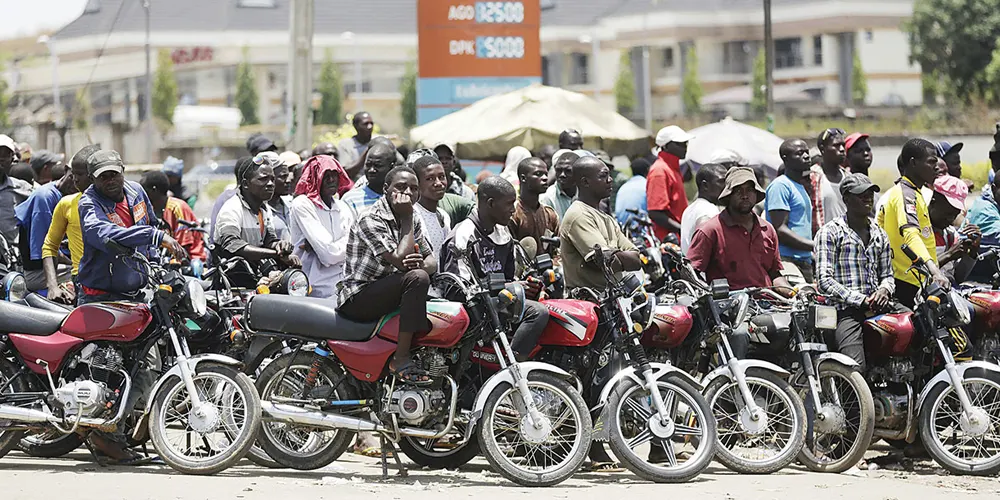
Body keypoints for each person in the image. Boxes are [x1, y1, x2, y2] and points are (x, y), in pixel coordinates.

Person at [337, 165, 437, 384]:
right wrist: (408, 218)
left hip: (390, 290)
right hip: (359, 296)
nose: (408, 193)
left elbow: (431, 261)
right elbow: (400, 261)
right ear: (386, 189)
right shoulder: (370, 218)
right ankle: (400, 358)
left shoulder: (412, 216)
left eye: (413, 188)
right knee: (418, 278)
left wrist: (420, 262)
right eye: (401, 187)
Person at [440, 175, 548, 361]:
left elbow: (508, 278)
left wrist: (525, 286)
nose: (513, 210)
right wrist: (508, 289)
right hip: (471, 308)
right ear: (490, 203)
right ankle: (511, 364)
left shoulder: (502, 232)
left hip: (497, 303)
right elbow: (456, 290)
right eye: (508, 204)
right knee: (537, 312)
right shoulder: (464, 235)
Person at [77, 150, 186, 303]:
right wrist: (153, 236)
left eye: (114, 174)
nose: (110, 180)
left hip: (136, 292)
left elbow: (151, 223)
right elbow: (103, 234)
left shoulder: (136, 191)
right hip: (100, 296)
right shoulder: (89, 203)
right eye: (103, 177)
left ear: (123, 171)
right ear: (91, 179)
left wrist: (154, 263)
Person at [814, 173, 896, 371]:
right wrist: (861, 300)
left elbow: (887, 275)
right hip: (845, 311)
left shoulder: (879, 233)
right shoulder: (830, 232)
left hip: (878, 306)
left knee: (917, 330)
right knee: (854, 367)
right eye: (861, 195)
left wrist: (884, 291)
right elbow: (824, 281)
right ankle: (856, 400)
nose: (868, 198)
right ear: (847, 199)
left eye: (870, 193)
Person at [689, 167, 791, 292]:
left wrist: (794, 293)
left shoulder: (767, 230)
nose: (744, 196)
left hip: (768, 305)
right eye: (738, 191)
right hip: (730, 308)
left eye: (749, 190)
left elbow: (774, 274)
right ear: (729, 196)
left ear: (755, 194)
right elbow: (691, 274)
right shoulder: (710, 230)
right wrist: (711, 293)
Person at [877, 138, 950, 308]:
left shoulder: (916, 193)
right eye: (931, 162)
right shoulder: (904, 195)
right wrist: (935, 271)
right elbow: (911, 235)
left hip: (920, 280)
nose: (937, 167)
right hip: (906, 282)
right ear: (913, 163)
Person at [560, 156, 643, 290]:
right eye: (603, 176)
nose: (610, 180)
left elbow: (636, 259)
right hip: (589, 301)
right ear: (585, 182)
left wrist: (613, 255)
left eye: (609, 175)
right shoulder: (579, 215)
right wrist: (617, 256)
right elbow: (604, 263)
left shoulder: (607, 218)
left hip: (614, 298)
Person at [214, 154, 301, 272]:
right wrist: (274, 254)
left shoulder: (263, 209)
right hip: (232, 283)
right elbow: (233, 245)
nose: (270, 184)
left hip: (257, 279)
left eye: (272, 179)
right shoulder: (232, 208)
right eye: (263, 179)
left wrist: (280, 246)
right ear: (245, 184)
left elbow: (269, 240)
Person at [289, 154, 354, 302]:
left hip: (344, 285)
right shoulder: (303, 204)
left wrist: (328, 247)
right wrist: (347, 244)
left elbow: (358, 248)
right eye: (325, 176)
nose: (331, 180)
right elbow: (328, 255)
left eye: (334, 175)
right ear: (314, 178)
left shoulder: (343, 206)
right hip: (314, 289)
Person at [43, 144, 101, 304]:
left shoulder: (119, 203)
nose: (74, 179)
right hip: (84, 284)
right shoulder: (66, 204)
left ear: (94, 175)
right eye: (73, 174)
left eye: (80, 174)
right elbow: (49, 247)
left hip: (119, 285)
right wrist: (52, 286)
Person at [16, 157, 79, 291]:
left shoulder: (72, 196)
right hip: (38, 273)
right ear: (66, 170)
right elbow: (45, 250)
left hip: (59, 265)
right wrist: (75, 263)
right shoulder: (45, 198)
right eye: (72, 177)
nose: (75, 184)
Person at [766, 139, 815, 283]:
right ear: (785, 158)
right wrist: (815, 245)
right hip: (787, 261)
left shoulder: (799, 186)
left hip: (803, 260)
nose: (806, 156)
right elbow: (780, 229)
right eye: (800, 153)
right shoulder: (780, 186)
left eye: (807, 152)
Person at [139, 171, 208, 263]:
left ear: (153, 190)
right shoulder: (148, 209)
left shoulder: (177, 208)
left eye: (143, 190)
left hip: (190, 261)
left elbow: (182, 247)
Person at [928, 175, 979, 285]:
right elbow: (915, 275)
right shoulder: (916, 232)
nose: (950, 219)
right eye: (947, 214)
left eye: (955, 215)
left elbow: (957, 278)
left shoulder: (950, 234)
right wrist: (949, 255)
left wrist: (971, 253)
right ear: (933, 202)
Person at [647, 125, 693, 241]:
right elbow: (655, 213)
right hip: (668, 242)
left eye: (685, 143)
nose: (685, 147)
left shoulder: (672, 169)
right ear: (666, 146)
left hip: (678, 237)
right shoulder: (660, 171)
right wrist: (681, 229)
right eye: (680, 143)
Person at [510, 157, 560, 255]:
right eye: (538, 174)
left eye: (546, 174)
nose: (545, 178)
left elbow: (558, 250)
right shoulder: (512, 213)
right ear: (523, 178)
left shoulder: (550, 214)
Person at [341, 140, 396, 218]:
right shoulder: (351, 199)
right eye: (368, 165)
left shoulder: (399, 196)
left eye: (377, 165)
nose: (371, 170)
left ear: (391, 167)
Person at [411, 155, 451, 262]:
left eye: (442, 177)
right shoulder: (413, 215)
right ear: (417, 184)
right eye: (430, 179)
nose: (438, 183)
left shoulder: (444, 215)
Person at [680, 163, 726, 254]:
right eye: (721, 182)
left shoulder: (689, 209)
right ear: (705, 186)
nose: (726, 186)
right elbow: (705, 244)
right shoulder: (708, 210)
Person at [809, 128, 847, 235]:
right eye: (836, 145)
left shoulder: (848, 178)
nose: (842, 149)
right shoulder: (811, 178)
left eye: (843, 145)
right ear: (822, 149)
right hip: (823, 242)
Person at [0, 135, 33, 247]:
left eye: (5, 155)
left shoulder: (22, 188)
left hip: (11, 257)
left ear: (12, 159)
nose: (1, 159)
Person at [540, 149, 580, 220]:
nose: (562, 175)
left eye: (568, 171)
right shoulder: (548, 198)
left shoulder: (586, 193)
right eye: (558, 170)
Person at [338, 112, 375, 180]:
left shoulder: (378, 142)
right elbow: (346, 172)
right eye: (365, 124)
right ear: (356, 126)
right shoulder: (345, 145)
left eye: (371, 123)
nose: (370, 127)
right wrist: (367, 151)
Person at [614, 157, 651, 224]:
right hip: (642, 230)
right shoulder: (647, 185)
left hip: (623, 229)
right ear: (648, 170)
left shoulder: (623, 187)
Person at [268, 155, 295, 242]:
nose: (288, 180)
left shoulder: (292, 205)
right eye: (283, 177)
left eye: (287, 176)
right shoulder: (259, 211)